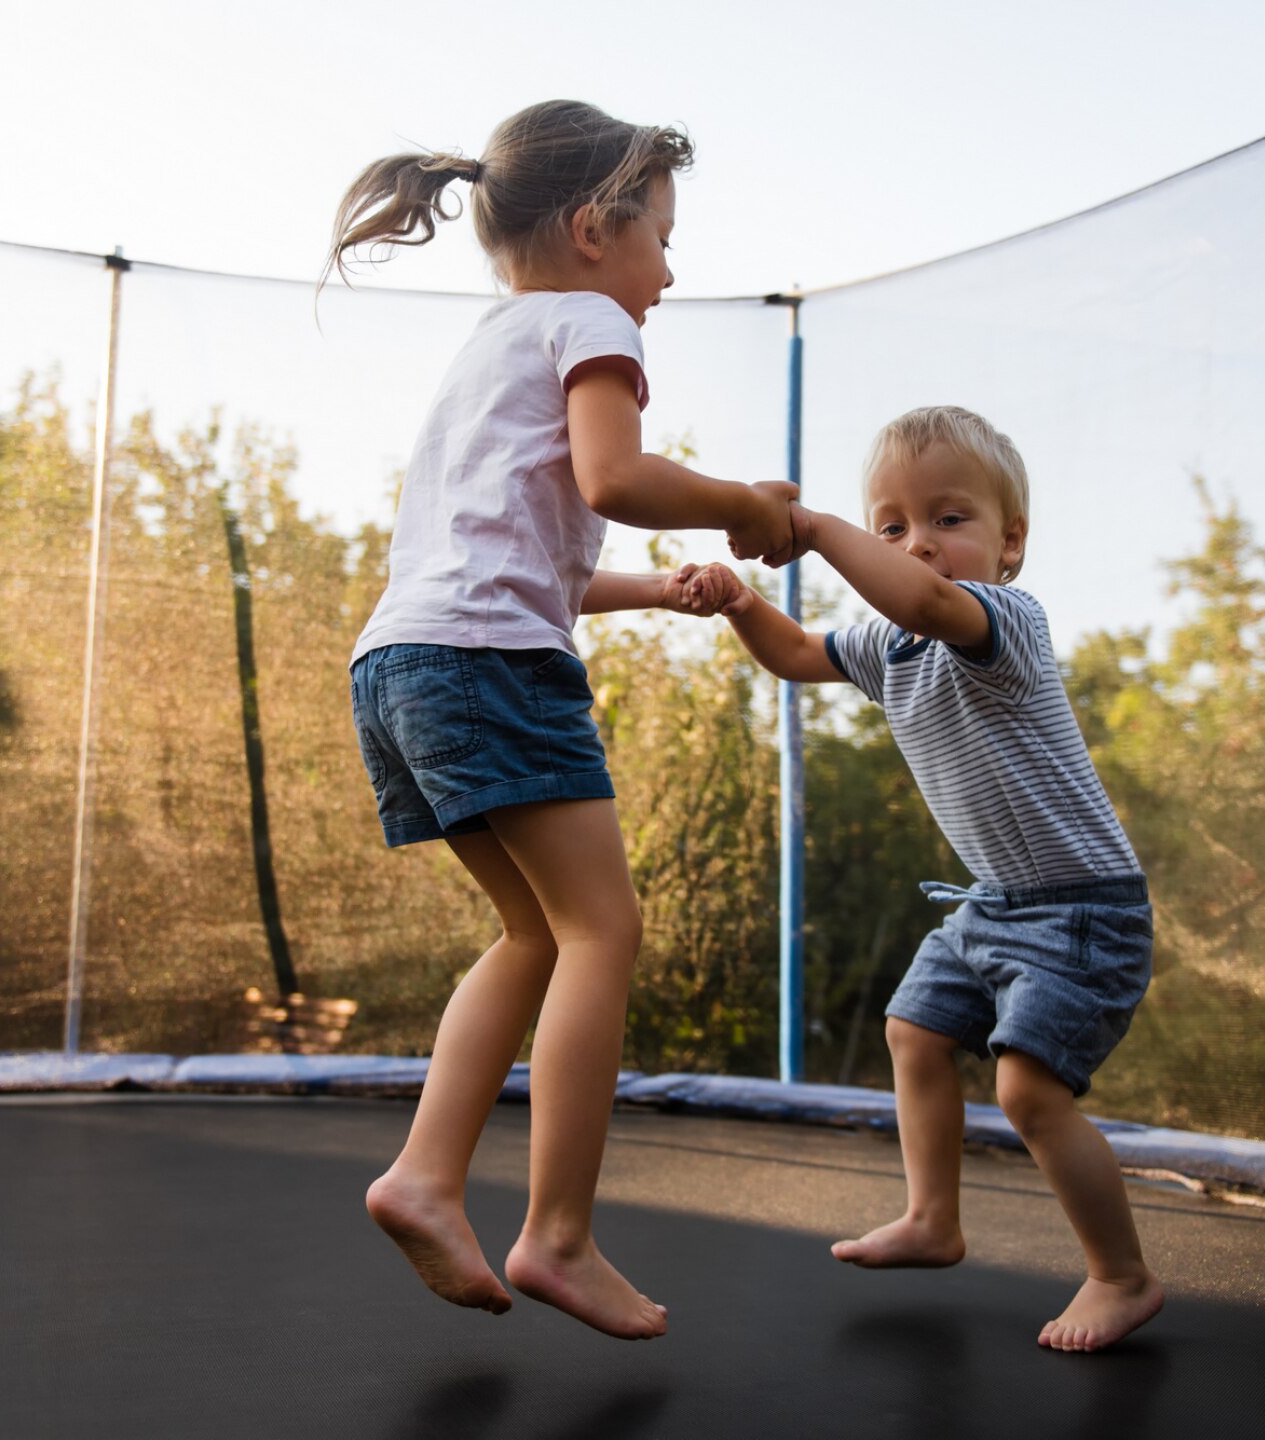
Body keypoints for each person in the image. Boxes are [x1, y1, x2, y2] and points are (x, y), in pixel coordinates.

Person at [323, 99, 796, 1340]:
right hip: (487, 666)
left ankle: (425, 1178)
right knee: (603, 931)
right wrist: (744, 505)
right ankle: (559, 1234)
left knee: (534, 934)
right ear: (595, 229)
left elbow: (543, 556)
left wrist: (661, 587)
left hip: (401, 662)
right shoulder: (590, 320)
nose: (669, 271)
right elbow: (615, 478)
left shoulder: (488, 349)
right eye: (661, 237)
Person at [684, 405, 1164, 1353]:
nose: (918, 546)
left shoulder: (1004, 620)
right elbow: (794, 654)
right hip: (990, 903)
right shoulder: (881, 646)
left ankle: (1122, 1275)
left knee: (1027, 1094)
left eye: (949, 520)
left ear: (1009, 542)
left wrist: (820, 528)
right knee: (913, 1032)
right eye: (892, 525)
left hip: (1083, 909)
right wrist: (744, 605)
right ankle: (933, 1221)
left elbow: (923, 603)